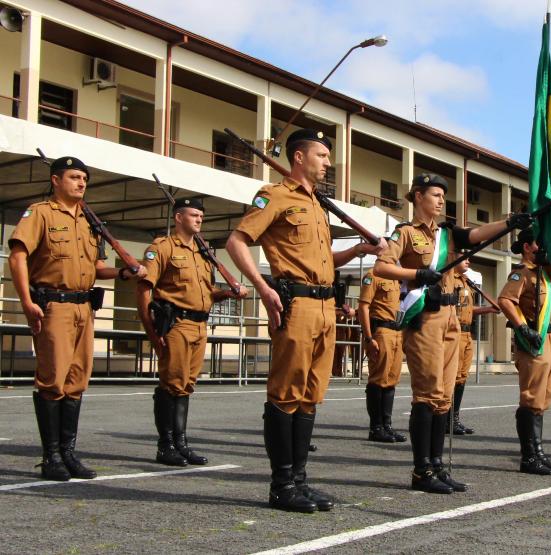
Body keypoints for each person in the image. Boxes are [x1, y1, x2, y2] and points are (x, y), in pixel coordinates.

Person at [225, 129, 385, 513]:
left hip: (326, 307)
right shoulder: (275, 195)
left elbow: (325, 260)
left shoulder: (317, 204)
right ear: (299, 157)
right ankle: (281, 484)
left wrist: (360, 248)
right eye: (322, 155)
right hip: (295, 305)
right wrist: (263, 288)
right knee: (286, 394)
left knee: (311, 395)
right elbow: (237, 241)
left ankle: (299, 479)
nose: (328, 163)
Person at [373, 173, 532, 494]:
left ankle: (437, 465)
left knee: (444, 396)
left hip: (450, 319)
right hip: (425, 318)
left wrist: (510, 222)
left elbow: (475, 234)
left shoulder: (446, 234)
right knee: (428, 394)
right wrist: (417, 272)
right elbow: (382, 268)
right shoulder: (404, 233)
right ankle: (421, 471)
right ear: (418, 197)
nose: (441, 200)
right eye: (435, 194)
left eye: (443, 195)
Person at [7, 156, 148, 481]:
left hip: (85, 308)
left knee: (76, 381)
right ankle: (51, 456)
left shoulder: (89, 221)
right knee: (52, 380)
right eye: (74, 176)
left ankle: (68, 453)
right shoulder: (40, 213)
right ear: (56, 180)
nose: (81, 182)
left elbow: (97, 268)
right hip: (53, 305)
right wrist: (26, 302)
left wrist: (124, 272)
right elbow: (18, 257)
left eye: (84, 177)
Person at [136, 198, 248, 467]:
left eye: (201, 215)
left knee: (186, 385)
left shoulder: (203, 252)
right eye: (193, 215)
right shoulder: (161, 248)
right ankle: (166, 445)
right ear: (178, 217)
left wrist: (228, 293)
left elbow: (207, 293)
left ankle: (181, 443)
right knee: (172, 383)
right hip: (176, 324)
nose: (199, 219)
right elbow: (144, 288)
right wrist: (151, 331)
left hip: (200, 324)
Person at [498, 228, 551, 475]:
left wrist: (548, 256)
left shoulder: (544, 271)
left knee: (544, 397)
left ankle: (538, 452)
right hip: (534, 340)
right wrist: (523, 327)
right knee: (532, 397)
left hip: (550, 339)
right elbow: (506, 301)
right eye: (537, 245)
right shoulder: (521, 274)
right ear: (526, 247)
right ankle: (529, 456)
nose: (543, 248)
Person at [450, 258, 500, 435]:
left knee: (462, 377)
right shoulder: (449, 280)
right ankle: (446, 420)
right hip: (453, 333)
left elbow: (469, 311)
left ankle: (454, 418)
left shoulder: (467, 282)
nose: (468, 261)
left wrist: (488, 309)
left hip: (466, 333)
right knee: (452, 377)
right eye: (464, 258)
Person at [357, 263, 406, 443]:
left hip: (396, 331)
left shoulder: (396, 277)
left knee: (391, 379)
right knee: (378, 379)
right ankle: (376, 428)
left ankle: (387, 426)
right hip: (381, 331)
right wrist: (369, 338)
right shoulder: (373, 275)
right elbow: (363, 307)